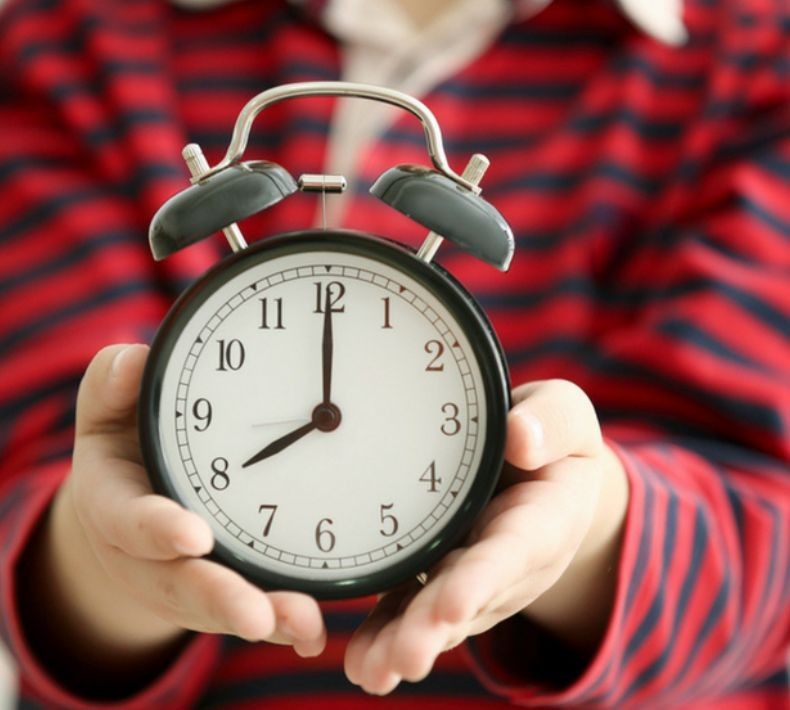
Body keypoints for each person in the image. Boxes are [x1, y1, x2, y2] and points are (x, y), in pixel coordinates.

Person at [0, 0, 787, 707]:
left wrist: (589, 540)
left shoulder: (754, 60)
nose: (327, 418)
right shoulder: (68, 42)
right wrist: (102, 562)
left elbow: (766, 518)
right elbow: (34, 463)